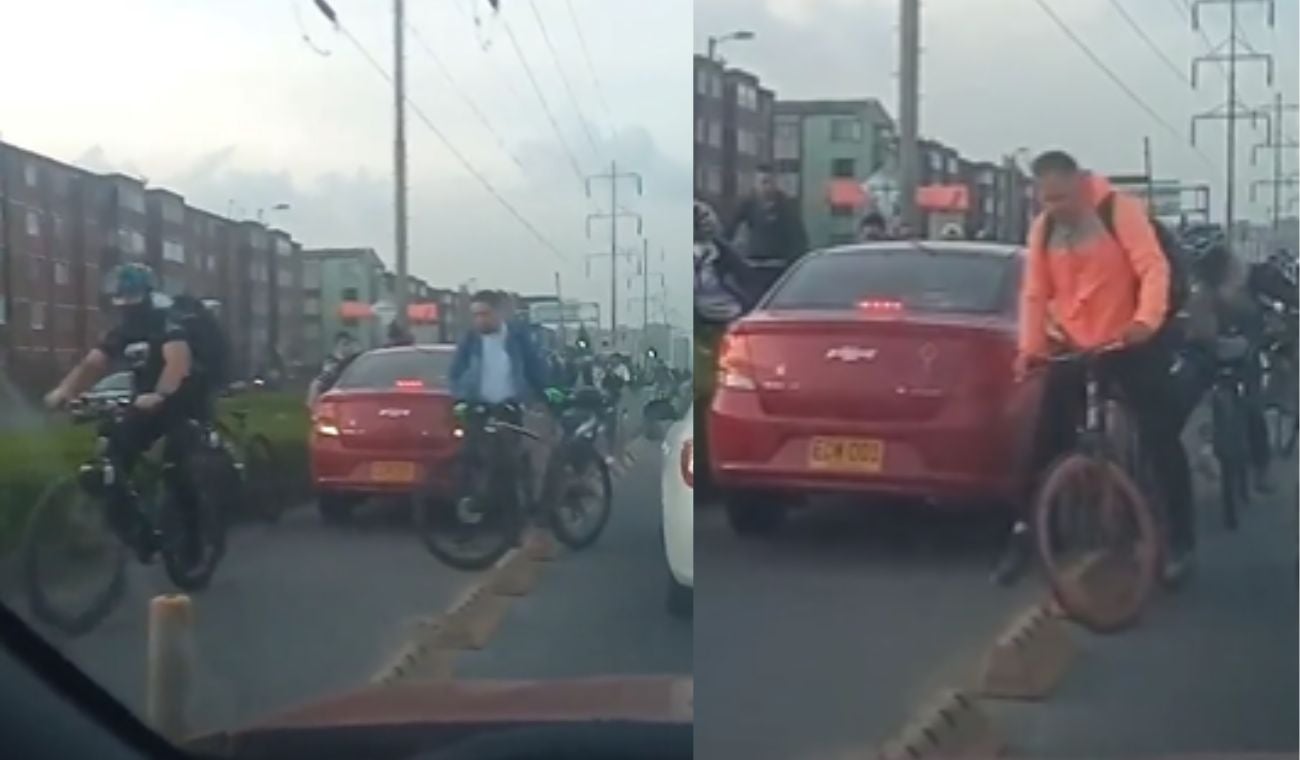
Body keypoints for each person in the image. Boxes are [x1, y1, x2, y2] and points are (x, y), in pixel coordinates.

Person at [998, 149, 1195, 587]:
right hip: (1075, 342)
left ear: (1081, 184)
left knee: (1160, 435)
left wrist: (1146, 321)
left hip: (1128, 337)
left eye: (1063, 198)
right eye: (1046, 200)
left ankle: (1180, 539)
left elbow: (1152, 267)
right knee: (1045, 441)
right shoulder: (1044, 229)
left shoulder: (1117, 210)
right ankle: (1025, 533)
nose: (1056, 208)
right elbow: (1035, 293)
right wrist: (1030, 349)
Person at [43, 263, 213, 561]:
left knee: (177, 465)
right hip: (145, 401)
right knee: (112, 458)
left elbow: (177, 362)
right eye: (121, 301)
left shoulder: (168, 320)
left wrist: (160, 394)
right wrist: (65, 391)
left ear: (147, 296)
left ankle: (194, 541)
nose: (126, 307)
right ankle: (138, 534)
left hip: (185, 399)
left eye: (131, 300)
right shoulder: (123, 329)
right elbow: (93, 364)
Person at [724, 164, 809, 268]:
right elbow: (730, 229)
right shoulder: (749, 203)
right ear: (755, 184)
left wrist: (793, 261)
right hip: (754, 262)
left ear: (775, 183)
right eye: (763, 182)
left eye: (770, 182)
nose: (767, 187)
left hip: (779, 263)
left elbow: (798, 236)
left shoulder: (785, 205)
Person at [307, 331, 361, 408]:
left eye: (348, 344)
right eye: (344, 344)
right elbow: (325, 376)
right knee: (315, 385)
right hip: (333, 388)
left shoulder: (350, 359)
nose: (347, 347)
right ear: (337, 345)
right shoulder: (330, 361)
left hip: (346, 388)